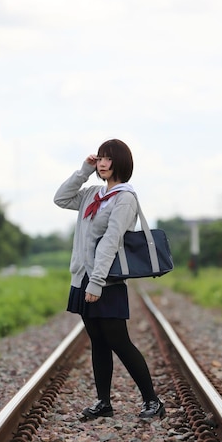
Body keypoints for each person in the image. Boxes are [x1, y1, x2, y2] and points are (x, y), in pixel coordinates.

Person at [54, 139, 165, 420]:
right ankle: (103, 403)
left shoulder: (125, 198)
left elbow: (111, 242)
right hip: (83, 279)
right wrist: (83, 171)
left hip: (106, 283)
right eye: (100, 158)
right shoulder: (92, 193)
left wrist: (97, 282)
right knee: (98, 342)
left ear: (121, 163)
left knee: (120, 342)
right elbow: (61, 198)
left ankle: (153, 401)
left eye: (108, 159)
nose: (102, 163)